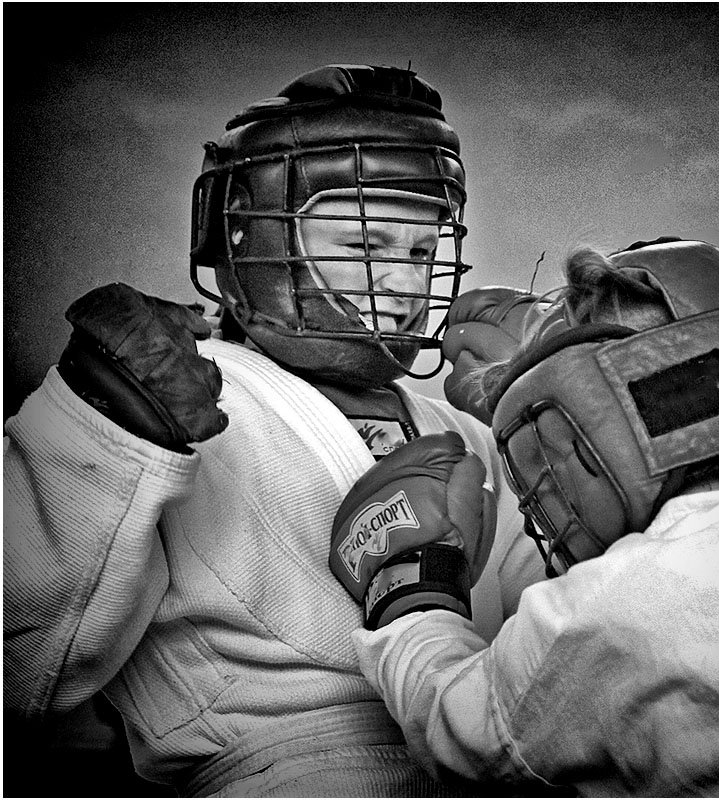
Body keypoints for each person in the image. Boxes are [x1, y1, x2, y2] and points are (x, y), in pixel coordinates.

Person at [3, 63, 545, 797]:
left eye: (422, 252)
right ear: (251, 240)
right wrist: (98, 431)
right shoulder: (177, 409)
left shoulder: (464, 432)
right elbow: (20, 669)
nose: (405, 283)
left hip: (486, 762)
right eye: (364, 247)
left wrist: (557, 435)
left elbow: (557, 649)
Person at [332, 237, 719, 796]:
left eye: (556, 444)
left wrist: (412, 587)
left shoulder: (610, 610)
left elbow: (456, 729)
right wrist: (559, 356)